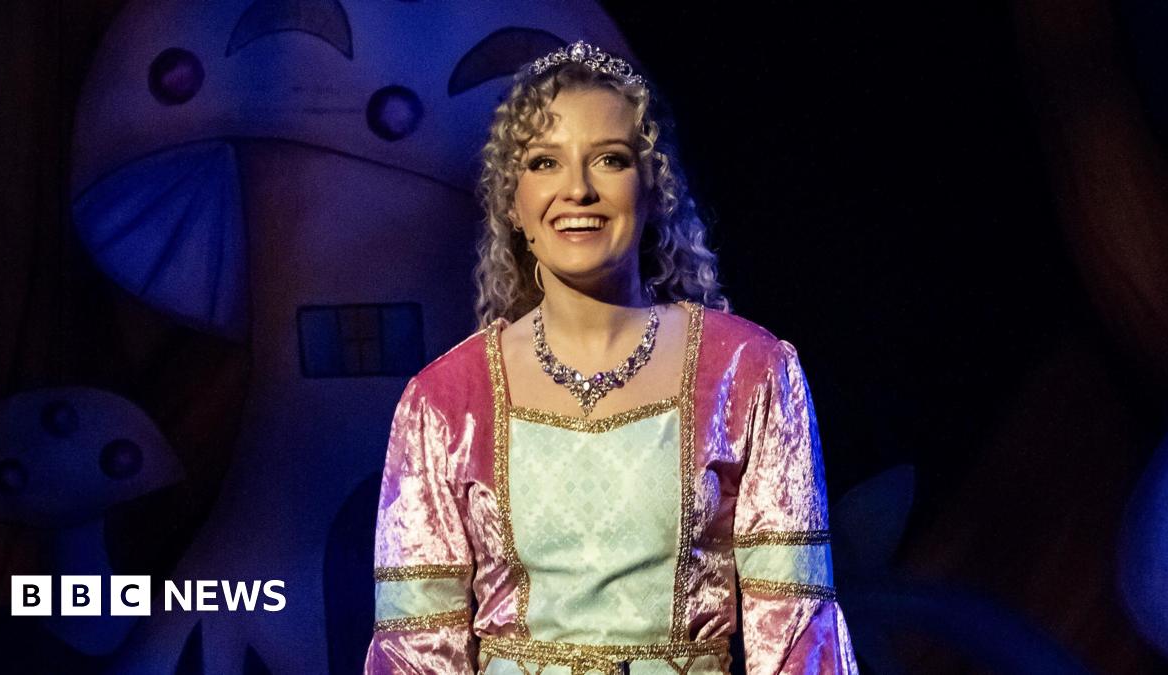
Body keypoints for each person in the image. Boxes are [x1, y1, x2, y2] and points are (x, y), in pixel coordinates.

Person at [364, 40, 858, 675]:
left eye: (610, 159)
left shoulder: (749, 372)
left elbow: (795, 631)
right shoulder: (444, 402)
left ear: (651, 191)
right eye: (545, 162)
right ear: (512, 205)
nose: (577, 189)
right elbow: (414, 649)